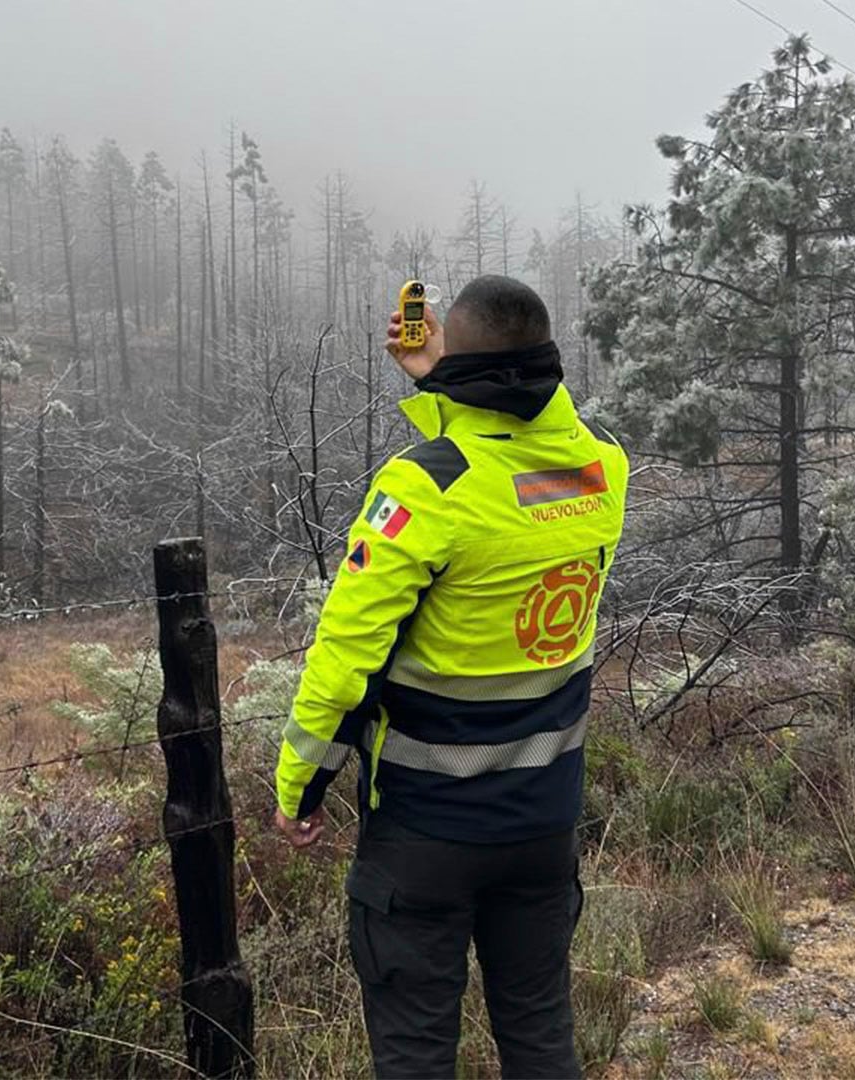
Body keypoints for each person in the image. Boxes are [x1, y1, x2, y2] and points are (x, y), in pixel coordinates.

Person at [271, 275, 628, 1079]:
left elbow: (344, 663)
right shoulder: (602, 472)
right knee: (540, 1035)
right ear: (549, 364)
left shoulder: (422, 490)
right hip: (543, 823)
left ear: (466, 365)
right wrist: (445, 376)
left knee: (416, 1055)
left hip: (424, 835)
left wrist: (299, 788)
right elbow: (533, 445)